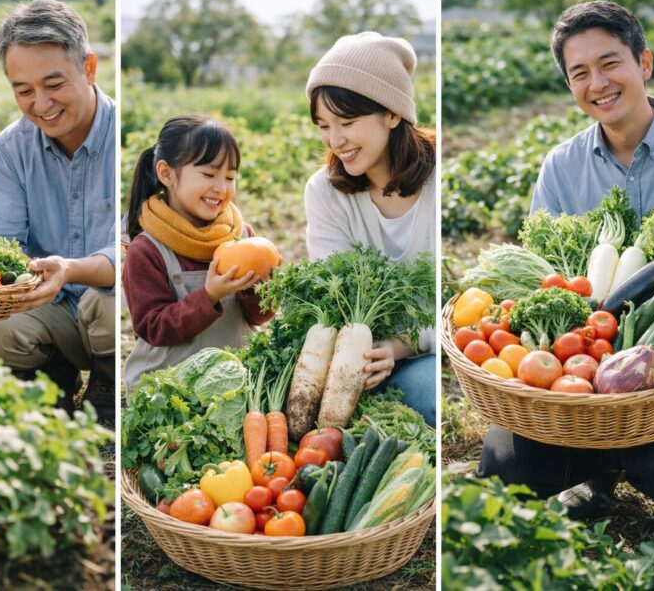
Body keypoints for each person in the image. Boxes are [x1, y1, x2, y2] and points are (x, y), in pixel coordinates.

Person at [479, 0, 654, 547]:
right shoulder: (560, 166)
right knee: (502, 470)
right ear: (569, 86)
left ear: (644, 63)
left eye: (610, 63)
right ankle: (596, 472)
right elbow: (544, 275)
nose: (597, 83)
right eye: (579, 73)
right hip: (579, 360)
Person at [0, 0, 116, 425]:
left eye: (54, 83)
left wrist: (72, 269)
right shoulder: (11, 149)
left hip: (106, 305)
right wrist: (24, 276)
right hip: (47, 302)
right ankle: (52, 373)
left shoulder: (126, 138)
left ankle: (107, 379)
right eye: (23, 90)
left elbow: (131, 247)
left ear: (89, 67)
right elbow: (3, 243)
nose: (41, 103)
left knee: (111, 295)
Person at [304, 31, 437, 426]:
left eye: (347, 121)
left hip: (425, 351)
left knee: (430, 400)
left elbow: (458, 304)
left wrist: (400, 347)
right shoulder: (325, 191)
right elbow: (336, 292)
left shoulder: (438, 184)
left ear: (392, 113)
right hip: (355, 357)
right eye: (324, 125)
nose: (335, 140)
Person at [122, 114, 274, 398]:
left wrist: (262, 287)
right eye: (208, 174)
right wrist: (209, 295)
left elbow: (259, 317)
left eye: (230, 177)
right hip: (169, 389)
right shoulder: (147, 250)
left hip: (233, 386)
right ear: (166, 173)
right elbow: (153, 328)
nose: (221, 188)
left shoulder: (241, 235)